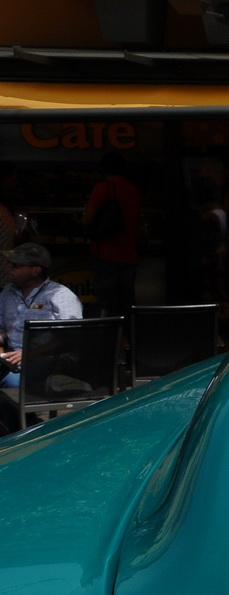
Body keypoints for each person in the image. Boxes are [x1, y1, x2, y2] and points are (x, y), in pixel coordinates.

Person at [0, 243, 83, 433]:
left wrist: (30, 353)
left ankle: (20, 431)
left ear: (35, 270)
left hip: (53, 360)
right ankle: (16, 427)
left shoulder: (60, 295)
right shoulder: (7, 293)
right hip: (15, 358)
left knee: (11, 382)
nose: (8, 268)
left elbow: (71, 337)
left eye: (15, 265)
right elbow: (3, 329)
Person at [83, 151, 141, 317]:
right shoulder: (133, 190)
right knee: (127, 300)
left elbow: (87, 219)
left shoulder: (104, 188)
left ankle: (112, 339)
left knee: (107, 303)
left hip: (106, 252)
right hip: (129, 253)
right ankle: (130, 337)